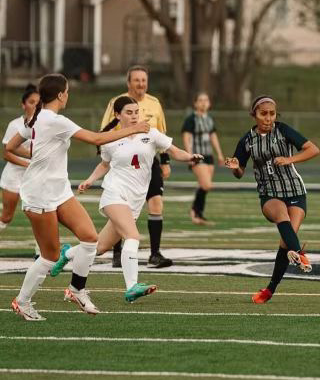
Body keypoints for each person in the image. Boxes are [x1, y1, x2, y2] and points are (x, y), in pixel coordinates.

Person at [7, 73, 150, 321]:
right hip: (39, 194)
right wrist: (135, 128)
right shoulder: (54, 120)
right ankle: (22, 301)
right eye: (68, 91)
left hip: (59, 189)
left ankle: (76, 290)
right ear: (61, 95)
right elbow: (95, 138)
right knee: (50, 256)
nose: (68, 95)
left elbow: (10, 146)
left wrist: (38, 155)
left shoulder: (35, 118)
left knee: (90, 239)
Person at [53, 95, 203, 301]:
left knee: (100, 247)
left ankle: (67, 254)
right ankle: (132, 285)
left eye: (136, 112)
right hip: (115, 194)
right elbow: (104, 165)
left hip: (134, 201)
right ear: (117, 115)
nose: (134, 116)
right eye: (129, 113)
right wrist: (90, 180)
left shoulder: (151, 133)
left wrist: (190, 156)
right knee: (132, 237)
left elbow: (174, 151)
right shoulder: (110, 139)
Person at [224, 95, 320, 304]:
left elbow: (313, 149)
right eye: (263, 114)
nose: (268, 118)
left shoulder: (283, 130)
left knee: (286, 242)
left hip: (295, 190)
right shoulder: (247, 140)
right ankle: (301, 254)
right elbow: (239, 171)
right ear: (254, 115)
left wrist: (290, 159)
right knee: (281, 216)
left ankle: (270, 290)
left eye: (272, 114)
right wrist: (236, 167)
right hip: (269, 193)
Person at [101, 65, 172, 269]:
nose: (141, 84)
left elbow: (162, 132)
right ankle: (117, 252)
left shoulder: (154, 103)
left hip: (149, 159)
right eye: (136, 80)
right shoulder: (117, 102)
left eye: (144, 80)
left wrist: (165, 161)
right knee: (121, 207)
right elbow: (105, 130)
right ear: (128, 82)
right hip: (123, 159)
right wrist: (106, 154)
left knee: (156, 203)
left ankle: (155, 253)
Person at [0, 85, 40, 246]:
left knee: (40, 216)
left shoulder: (45, 125)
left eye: (38, 102)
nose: (35, 106)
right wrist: (28, 163)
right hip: (14, 177)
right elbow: (7, 153)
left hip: (35, 178)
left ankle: (40, 255)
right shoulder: (15, 125)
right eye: (31, 102)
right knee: (6, 217)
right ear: (23, 104)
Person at [181, 91, 225, 225]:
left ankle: (198, 214)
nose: (204, 102)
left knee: (204, 186)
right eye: (200, 100)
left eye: (206, 100)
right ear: (195, 103)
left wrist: (220, 154)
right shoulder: (191, 119)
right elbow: (186, 137)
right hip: (197, 156)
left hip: (209, 156)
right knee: (207, 185)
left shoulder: (209, 119)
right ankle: (195, 211)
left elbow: (213, 136)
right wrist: (190, 156)